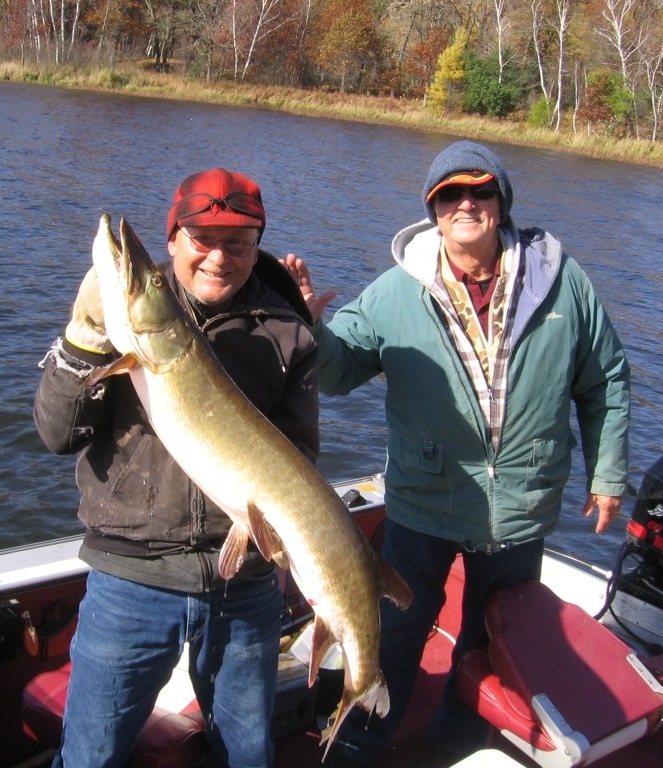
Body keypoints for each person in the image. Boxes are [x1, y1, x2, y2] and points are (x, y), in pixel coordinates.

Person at [282, 140, 630, 767]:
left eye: (481, 191)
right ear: (433, 210)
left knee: (490, 648)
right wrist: (310, 327)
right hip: (423, 506)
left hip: (521, 510)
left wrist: (606, 475)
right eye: (450, 195)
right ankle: (358, 743)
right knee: (395, 636)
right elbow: (337, 373)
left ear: (502, 202)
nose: (466, 204)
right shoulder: (395, 291)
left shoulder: (563, 281)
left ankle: (452, 745)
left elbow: (603, 378)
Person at [34, 168, 319, 768]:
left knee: (248, 755)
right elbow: (58, 434)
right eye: (202, 238)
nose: (219, 257)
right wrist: (82, 340)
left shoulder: (288, 332)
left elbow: (300, 461)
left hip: (241, 590)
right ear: (173, 240)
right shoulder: (125, 318)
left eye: (238, 243)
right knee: (92, 757)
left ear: (258, 246)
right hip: (130, 579)